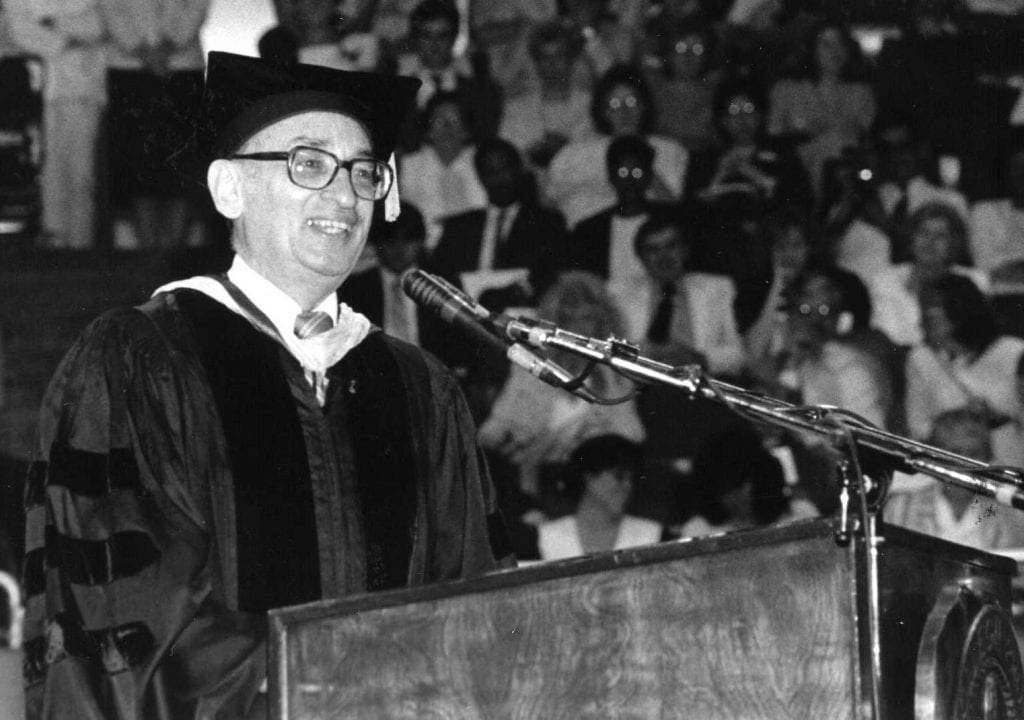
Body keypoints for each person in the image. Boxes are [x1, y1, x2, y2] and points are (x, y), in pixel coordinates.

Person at [21, 52, 513, 720]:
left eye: (363, 173)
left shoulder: (420, 388)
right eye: (308, 164)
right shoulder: (140, 359)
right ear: (228, 189)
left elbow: (475, 603)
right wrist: (342, 683)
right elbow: (126, 614)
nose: (343, 196)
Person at [478, 271, 645, 500]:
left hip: (596, 476)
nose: (579, 331)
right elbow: (496, 427)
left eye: (587, 319)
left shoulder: (616, 375)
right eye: (569, 321)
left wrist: (586, 434)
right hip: (540, 474)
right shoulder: (530, 368)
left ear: (602, 324)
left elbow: (632, 435)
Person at [6, 0, 106, 249]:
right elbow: (19, 31)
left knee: (80, 171)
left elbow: (95, 26)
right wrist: (64, 37)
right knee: (51, 171)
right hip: (37, 88)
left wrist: (53, 23)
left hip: (81, 87)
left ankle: (79, 245)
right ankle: (55, 240)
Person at [429, 138, 567, 308]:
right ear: (480, 177)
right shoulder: (459, 227)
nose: (500, 179)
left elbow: (550, 274)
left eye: (505, 169)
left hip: (524, 313)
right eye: (490, 172)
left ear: (519, 170)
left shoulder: (546, 222)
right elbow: (441, 277)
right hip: (467, 317)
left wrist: (520, 291)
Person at [546, 64, 689, 229]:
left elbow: (672, 206)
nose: (624, 111)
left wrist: (641, 161)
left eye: (631, 102)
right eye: (615, 104)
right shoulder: (574, 153)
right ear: (603, 111)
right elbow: (549, 201)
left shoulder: (670, 150)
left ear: (644, 106)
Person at [905, 273, 1024, 468]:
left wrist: (996, 417)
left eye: (933, 308)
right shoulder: (921, 358)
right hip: (952, 465)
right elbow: (917, 425)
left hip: (1011, 464)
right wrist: (953, 425)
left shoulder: (1014, 352)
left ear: (959, 311)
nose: (925, 317)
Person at [614, 211, 745, 378]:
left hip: (699, 384)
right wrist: (649, 354)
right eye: (652, 250)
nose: (664, 257)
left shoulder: (717, 288)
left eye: (671, 246)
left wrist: (699, 358)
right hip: (642, 385)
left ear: (685, 250)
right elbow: (612, 350)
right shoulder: (618, 294)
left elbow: (738, 354)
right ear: (641, 258)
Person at [883, 408, 1024, 550]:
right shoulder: (901, 507)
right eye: (956, 452)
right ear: (936, 457)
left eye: (974, 453)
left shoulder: (1008, 513)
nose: (966, 462)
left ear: (988, 458)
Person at [868, 201, 988, 348]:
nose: (929, 242)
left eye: (940, 236)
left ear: (953, 243)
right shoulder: (884, 281)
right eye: (923, 233)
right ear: (911, 237)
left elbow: (976, 338)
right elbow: (879, 336)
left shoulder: (974, 281)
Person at [532, 434, 668, 561]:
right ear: (589, 478)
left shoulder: (653, 535)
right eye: (619, 476)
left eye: (631, 479)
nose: (628, 486)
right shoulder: (546, 537)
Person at [398, 91, 487, 250]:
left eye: (455, 120)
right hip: (427, 250)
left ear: (467, 130)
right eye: (439, 121)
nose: (447, 128)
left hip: (478, 250)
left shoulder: (483, 161)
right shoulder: (407, 166)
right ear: (428, 129)